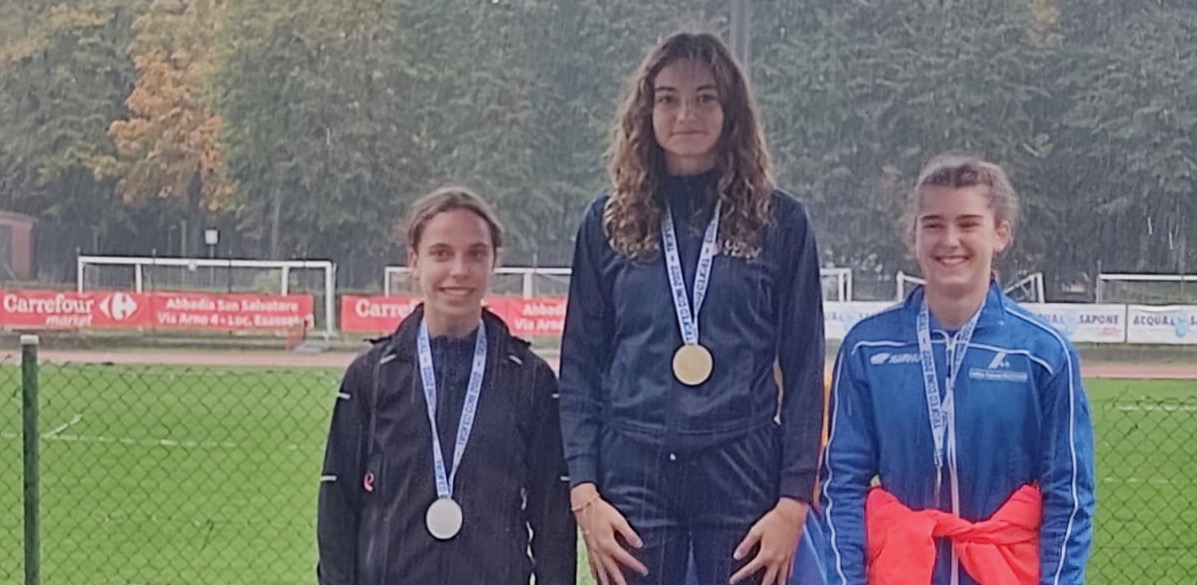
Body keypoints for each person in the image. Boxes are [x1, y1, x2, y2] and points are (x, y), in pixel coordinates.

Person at [559, 31, 826, 585]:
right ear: (647, 111)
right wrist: (585, 492)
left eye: (706, 97)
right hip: (634, 470)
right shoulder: (606, 224)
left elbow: (804, 367)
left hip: (743, 468)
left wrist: (793, 500)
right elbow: (580, 365)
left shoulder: (780, 223)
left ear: (731, 112)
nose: (687, 114)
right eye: (669, 98)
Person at [818, 154, 1095, 584]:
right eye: (933, 224)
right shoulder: (867, 348)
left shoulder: (1043, 353)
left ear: (1000, 233)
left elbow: (1069, 496)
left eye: (968, 224)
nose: (950, 240)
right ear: (912, 235)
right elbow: (841, 485)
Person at [316, 186, 576, 584]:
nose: (459, 270)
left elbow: (553, 518)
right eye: (441, 253)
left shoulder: (530, 379)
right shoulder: (371, 376)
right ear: (414, 261)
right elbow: (337, 508)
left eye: (476, 254)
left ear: (495, 261)